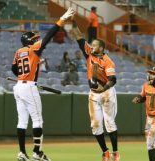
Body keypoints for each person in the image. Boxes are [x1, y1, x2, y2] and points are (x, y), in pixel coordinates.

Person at [11, 8, 74, 161]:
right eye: (33, 39)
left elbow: (14, 69)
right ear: (29, 41)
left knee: (22, 121)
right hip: (28, 86)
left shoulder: (19, 52)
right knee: (38, 120)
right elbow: (48, 36)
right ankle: (37, 153)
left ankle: (22, 153)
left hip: (19, 86)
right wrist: (61, 19)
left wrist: (27, 73)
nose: (35, 40)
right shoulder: (33, 49)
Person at [71, 19, 120, 161]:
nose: (91, 47)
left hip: (107, 92)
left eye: (94, 45)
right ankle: (105, 151)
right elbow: (79, 38)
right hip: (94, 93)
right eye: (91, 45)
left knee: (109, 122)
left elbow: (113, 80)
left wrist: (102, 89)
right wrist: (74, 23)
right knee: (95, 125)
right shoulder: (89, 55)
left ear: (101, 48)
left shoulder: (108, 61)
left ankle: (115, 153)